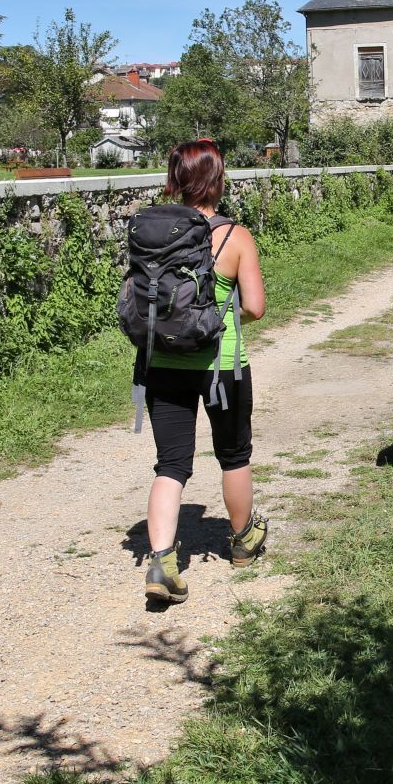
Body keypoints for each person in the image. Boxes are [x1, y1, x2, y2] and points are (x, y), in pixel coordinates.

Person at [142, 140, 267, 603]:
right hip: (222, 365)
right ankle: (243, 541)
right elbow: (255, 307)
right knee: (233, 454)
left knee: (171, 463)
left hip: (162, 362)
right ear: (217, 180)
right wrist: (219, 317)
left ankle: (161, 561)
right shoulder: (235, 236)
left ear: (175, 179)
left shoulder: (152, 232)